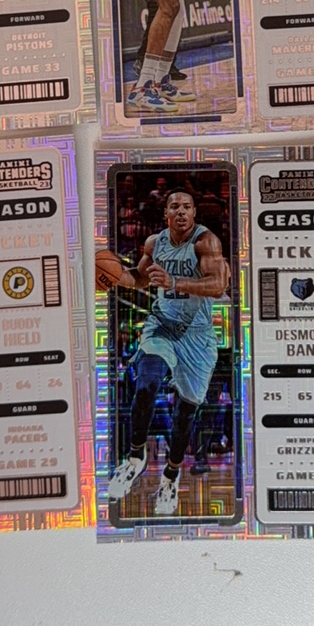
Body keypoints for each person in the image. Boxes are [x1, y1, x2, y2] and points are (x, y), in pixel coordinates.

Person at [106, 190, 231, 515]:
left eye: (187, 207)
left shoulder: (206, 242)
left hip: (197, 336)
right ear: (166, 214)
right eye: (174, 206)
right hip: (162, 325)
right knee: (146, 383)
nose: (181, 212)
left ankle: (170, 477)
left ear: (194, 213)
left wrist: (174, 281)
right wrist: (113, 275)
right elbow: (140, 279)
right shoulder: (154, 243)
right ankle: (135, 458)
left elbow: (218, 285)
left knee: (185, 414)